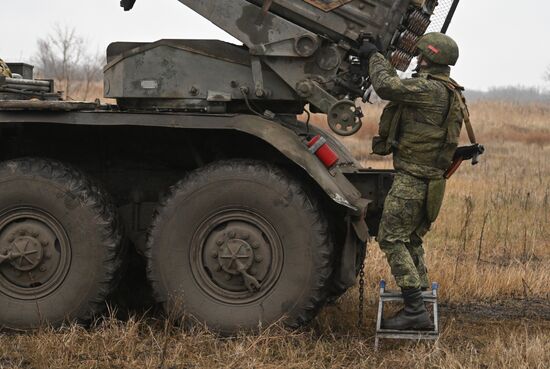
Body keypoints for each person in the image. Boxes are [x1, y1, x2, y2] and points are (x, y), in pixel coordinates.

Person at [359, 33, 467, 330]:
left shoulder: (429, 89)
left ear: (429, 58)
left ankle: (415, 310)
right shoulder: (448, 90)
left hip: (413, 180)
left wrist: (373, 56)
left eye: (422, 56)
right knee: (411, 239)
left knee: (391, 238)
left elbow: (386, 86)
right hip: (429, 181)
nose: (418, 59)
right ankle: (418, 298)